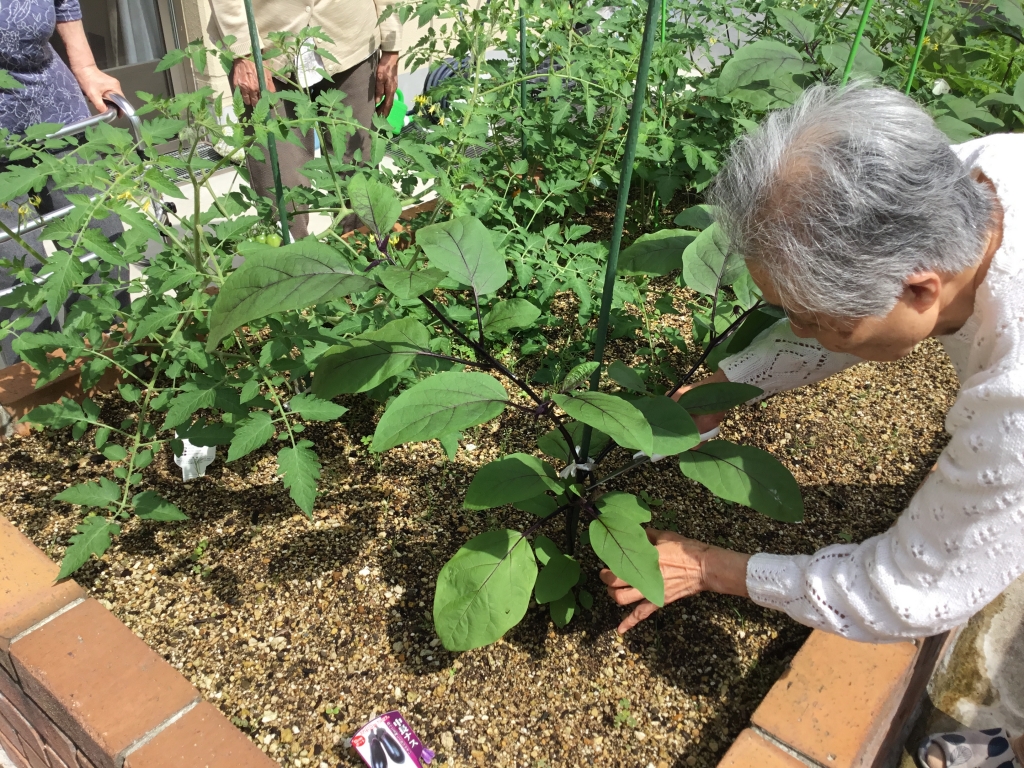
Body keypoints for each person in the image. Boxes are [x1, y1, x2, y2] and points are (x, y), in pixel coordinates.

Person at [598, 83, 1024, 768]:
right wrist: (729, 385)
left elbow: (910, 591)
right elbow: (835, 317)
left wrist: (711, 567)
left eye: (822, 320)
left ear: (921, 288)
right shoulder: (971, 178)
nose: (802, 331)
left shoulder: (1017, 397)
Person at [208, 0, 402, 239]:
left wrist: (391, 45)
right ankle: (292, 264)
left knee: (358, 166)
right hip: (267, 49)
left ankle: (364, 254)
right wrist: (243, 51)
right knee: (279, 181)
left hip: (352, 37)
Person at [0, 0, 124, 368]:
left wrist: (85, 66)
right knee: (19, 281)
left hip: (59, 116)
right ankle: (41, 398)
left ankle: (118, 368)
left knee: (102, 244)